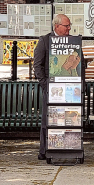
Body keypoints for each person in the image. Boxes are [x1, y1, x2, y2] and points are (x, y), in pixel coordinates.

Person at [34, 14, 72, 160]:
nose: (69, 28)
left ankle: (66, 147)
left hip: (68, 87)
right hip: (51, 88)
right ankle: (44, 150)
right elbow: (37, 65)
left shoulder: (71, 41)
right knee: (48, 119)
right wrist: (45, 84)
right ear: (56, 26)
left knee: (67, 118)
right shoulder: (45, 41)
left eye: (69, 25)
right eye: (66, 26)